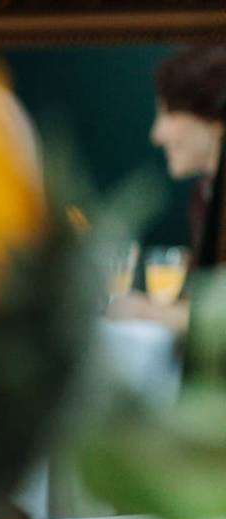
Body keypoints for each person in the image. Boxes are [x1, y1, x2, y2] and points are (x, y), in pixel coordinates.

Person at [109, 44, 226, 334]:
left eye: (168, 114)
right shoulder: (203, 196)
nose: (156, 135)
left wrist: (146, 311)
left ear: (216, 121)